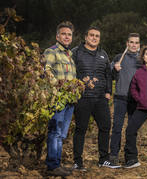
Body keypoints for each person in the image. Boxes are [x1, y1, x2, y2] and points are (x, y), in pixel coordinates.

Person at [72, 26, 113, 170]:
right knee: (81, 129)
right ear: (85, 37)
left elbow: (108, 74)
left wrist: (109, 91)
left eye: (97, 36)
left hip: (100, 98)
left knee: (105, 126)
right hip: (82, 98)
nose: (94, 38)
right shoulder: (76, 52)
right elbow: (71, 72)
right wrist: (82, 81)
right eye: (92, 35)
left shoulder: (103, 54)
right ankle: (78, 162)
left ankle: (103, 159)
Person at [44, 21, 76, 177]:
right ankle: (52, 166)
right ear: (57, 36)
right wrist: (57, 85)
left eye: (69, 34)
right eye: (64, 33)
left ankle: (57, 163)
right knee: (55, 132)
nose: (67, 36)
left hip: (70, 101)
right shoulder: (52, 51)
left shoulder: (69, 55)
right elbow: (46, 71)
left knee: (62, 134)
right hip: (58, 99)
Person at [109, 33, 141, 168]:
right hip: (120, 97)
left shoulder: (142, 60)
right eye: (131, 42)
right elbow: (110, 74)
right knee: (117, 127)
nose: (134, 45)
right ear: (127, 44)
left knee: (132, 129)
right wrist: (114, 69)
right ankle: (113, 156)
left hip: (135, 99)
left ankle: (130, 157)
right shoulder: (118, 58)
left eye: (136, 43)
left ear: (139, 45)